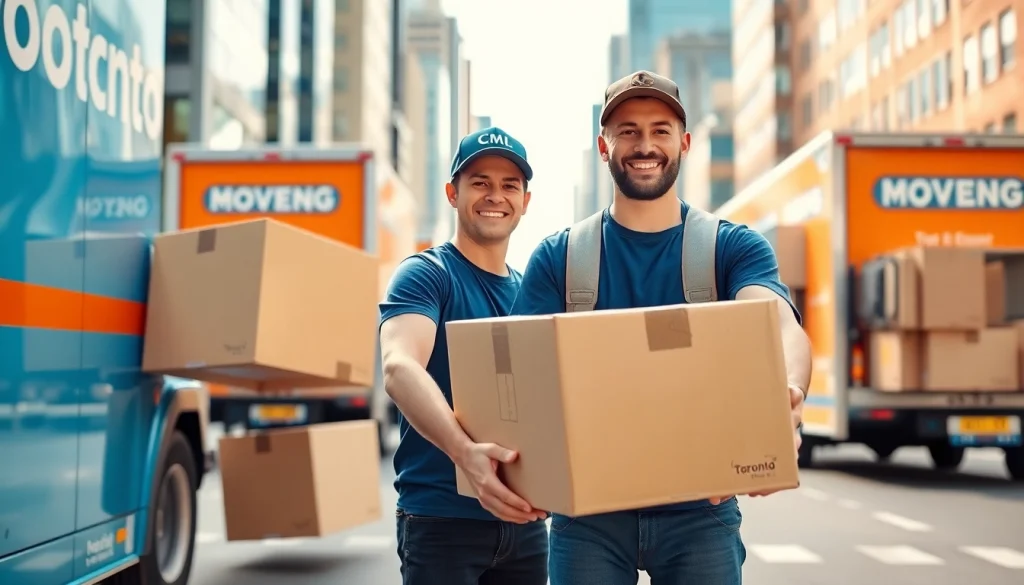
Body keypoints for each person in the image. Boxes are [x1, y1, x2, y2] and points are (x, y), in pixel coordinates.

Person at [511, 70, 812, 585]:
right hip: (588, 516)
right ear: (603, 146)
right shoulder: (560, 258)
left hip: (702, 511)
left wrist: (787, 393)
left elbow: (779, 323)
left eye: (660, 130)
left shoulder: (731, 248)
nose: (644, 145)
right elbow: (516, 373)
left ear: (685, 143)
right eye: (627, 130)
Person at [378, 126, 549, 585]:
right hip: (441, 522)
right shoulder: (426, 274)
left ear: (526, 201)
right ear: (453, 193)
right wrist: (465, 455)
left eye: (509, 185)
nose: (495, 195)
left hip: (526, 523)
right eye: (480, 183)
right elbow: (398, 366)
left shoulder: (532, 292)